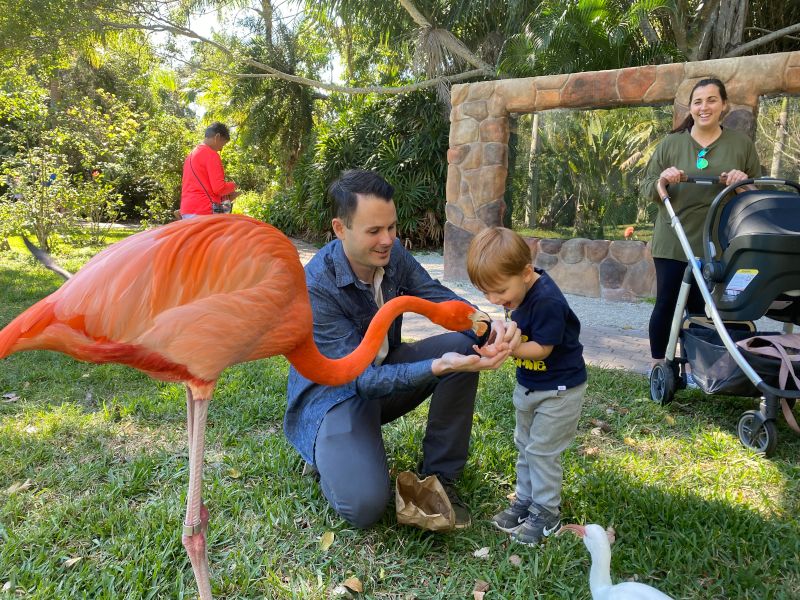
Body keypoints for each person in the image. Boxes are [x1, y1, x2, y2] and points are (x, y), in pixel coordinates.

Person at [284, 169, 520, 529]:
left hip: (382, 375)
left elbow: (438, 297)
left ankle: (441, 478)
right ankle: (327, 455)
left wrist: (486, 325)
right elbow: (360, 380)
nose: (387, 240)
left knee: (463, 344)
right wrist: (435, 367)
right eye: (374, 231)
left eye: (391, 227)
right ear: (340, 228)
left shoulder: (394, 255)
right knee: (364, 508)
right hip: (334, 398)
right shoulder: (317, 286)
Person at [467, 226, 586, 546]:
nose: (495, 300)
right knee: (525, 444)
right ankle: (526, 500)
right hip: (530, 385)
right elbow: (514, 326)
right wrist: (500, 334)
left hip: (559, 390)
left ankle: (546, 511)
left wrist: (508, 350)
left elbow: (542, 349)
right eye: (487, 293)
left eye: (499, 292)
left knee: (543, 451)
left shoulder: (546, 300)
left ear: (525, 271)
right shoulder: (515, 290)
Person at [641, 78, 761, 366]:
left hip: (719, 244)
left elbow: (758, 195)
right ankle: (660, 365)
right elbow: (646, 188)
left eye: (711, 100)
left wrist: (743, 184)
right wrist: (664, 180)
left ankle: (702, 364)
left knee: (705, 308)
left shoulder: (740, 145)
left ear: (724, 105)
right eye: (698, 101)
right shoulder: (671, 143)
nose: (704, 107)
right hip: (674, 240)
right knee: (668, 304)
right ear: (690, 107)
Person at [179, 122, 238, 219]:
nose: (221, 149)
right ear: (217, 137)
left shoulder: (191, 155)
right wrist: (233, 186)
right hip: (204, 210)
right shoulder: (211, 154)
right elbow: (219, 188)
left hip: (187, 210)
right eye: (222, 144)